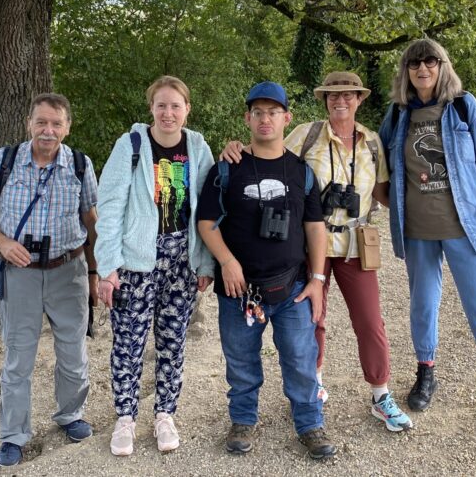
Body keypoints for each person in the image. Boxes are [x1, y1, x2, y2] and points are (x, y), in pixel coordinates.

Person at [219, 72, 412, 433]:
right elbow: (267, 150)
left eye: (348, 96)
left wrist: (423, 204)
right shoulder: (306, 135)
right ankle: (314, 384)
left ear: (359, 99)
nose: (341, 102)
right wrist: (234, 150)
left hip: (355, 243)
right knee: (311, 319)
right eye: (333, 96)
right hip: (311, 245)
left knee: (370, 322)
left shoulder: (371, 143)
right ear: (324, 101)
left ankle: (380, 394)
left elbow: (386, 193)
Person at [378, 38, 476, 442]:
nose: (422, 69)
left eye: (429, 61)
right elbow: (375, 161)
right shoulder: (397, 115)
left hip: (465, 227)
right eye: (414, 63)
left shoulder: (463, 106)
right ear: (406, 71)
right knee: (422, 304)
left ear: (441, 66)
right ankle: (425, 372)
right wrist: (385, 202)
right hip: (417, 232)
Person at [197, 81, 337, 460]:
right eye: (257, 112)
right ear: (247, 118)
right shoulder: (225, 169)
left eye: (273, 112)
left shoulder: (301, 172)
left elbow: (315, 227)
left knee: (300, 360)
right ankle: (243, 419)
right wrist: (226, 261)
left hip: (290, 288)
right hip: (238, 292)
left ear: (286, 118)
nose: (265, 119)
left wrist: (318, 280)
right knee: (241, 362)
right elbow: (206, 222)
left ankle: (310, 424)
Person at [0, 93, 99, 468]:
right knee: (18, 360)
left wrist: (93, 272)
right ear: (29, 123)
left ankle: (69, 415)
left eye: (56, 124)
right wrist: (3, 243)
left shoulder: (79, 164)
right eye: (42, 122)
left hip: (69, 271)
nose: (48, 130)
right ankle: (13, 436)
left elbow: (92, 221)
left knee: (73, 354)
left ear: (67, 127)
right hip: (20, 275)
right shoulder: (4, 161)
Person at [94, 76, 215, 456]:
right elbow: (110, 208)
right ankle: (125, 418)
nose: (168, 113)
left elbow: (210, 209)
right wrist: (107, 266)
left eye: (175, 106)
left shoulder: (196, 147)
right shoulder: (130, 146)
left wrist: (205, 262)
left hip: (181, 261)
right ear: (151, 108)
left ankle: (165, 414)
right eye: (161, 105)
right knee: (128, 342)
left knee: (172, 342)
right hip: (135, 262)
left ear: (187, 109)